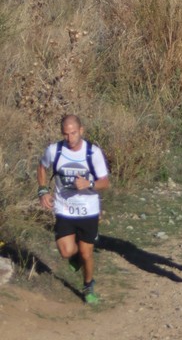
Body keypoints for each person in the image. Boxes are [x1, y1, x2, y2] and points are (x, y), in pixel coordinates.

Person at [37, 115, 110, 305]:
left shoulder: (93, 153)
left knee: (87, 254)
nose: (70, 138)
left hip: (88, 210)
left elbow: (105, 182)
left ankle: (88, 286)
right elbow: (42, 167)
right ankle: (76, 256)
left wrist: (89, 183)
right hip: (64, 208)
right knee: (66, 251)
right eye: (66, 134)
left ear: (81, 130)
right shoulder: (54, 150)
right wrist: (43, 191)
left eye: (74, 133)